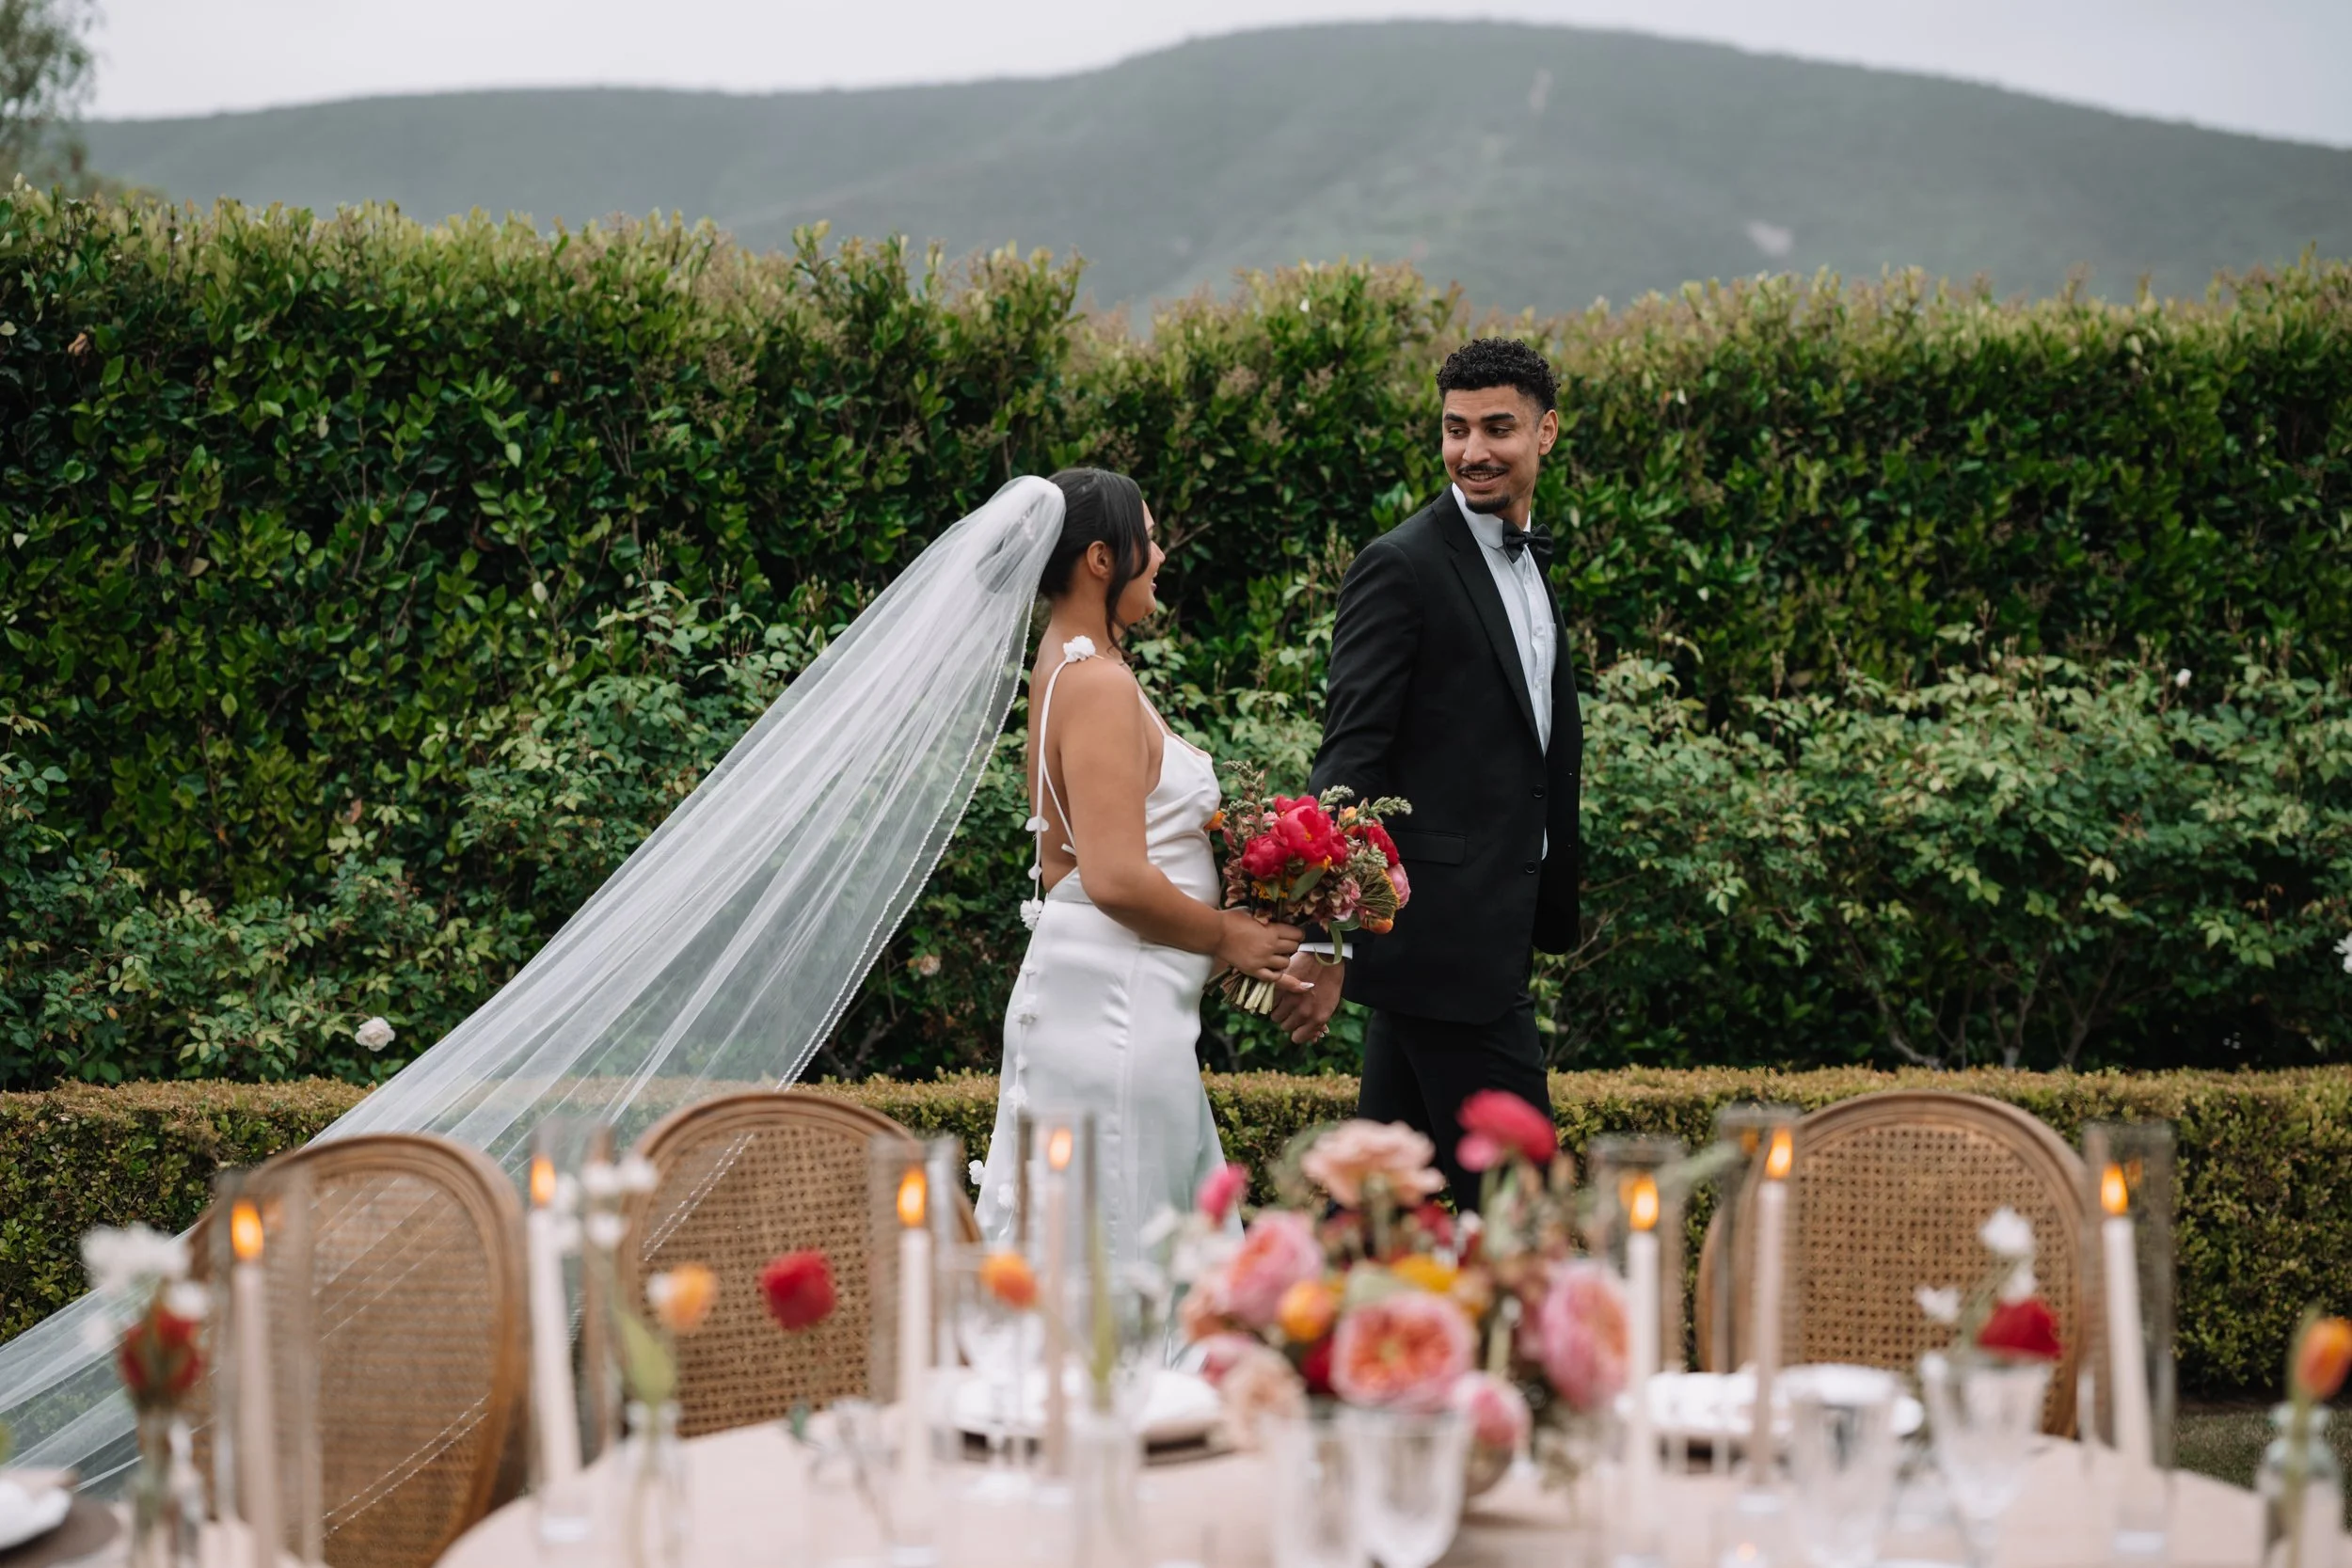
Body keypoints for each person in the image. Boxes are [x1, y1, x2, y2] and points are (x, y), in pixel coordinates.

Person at [1272, 339, 1582, 1207]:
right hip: (1446, 945)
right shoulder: (1400, 564)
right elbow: (1349, 761)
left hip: (1485, 932)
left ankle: (1316, 1329)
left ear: (1545, 432)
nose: (1473, 450)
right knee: (1527, 1208)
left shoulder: (1532, 566)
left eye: (1497, 427)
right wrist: (1321, 934)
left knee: (1375, 1204)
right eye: (1455, 429)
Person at [972, 467, 1304, 1261]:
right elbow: (1114, 877)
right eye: (1147, 540)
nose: (1159, 556)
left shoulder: (1063, 667)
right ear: (1098, 557)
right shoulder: (1097, 684)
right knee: (1129, 1259)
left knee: (1124, 1250)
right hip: (1117, 1019)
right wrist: (1226, 934)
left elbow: (1062, 870)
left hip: (1116, 1002)